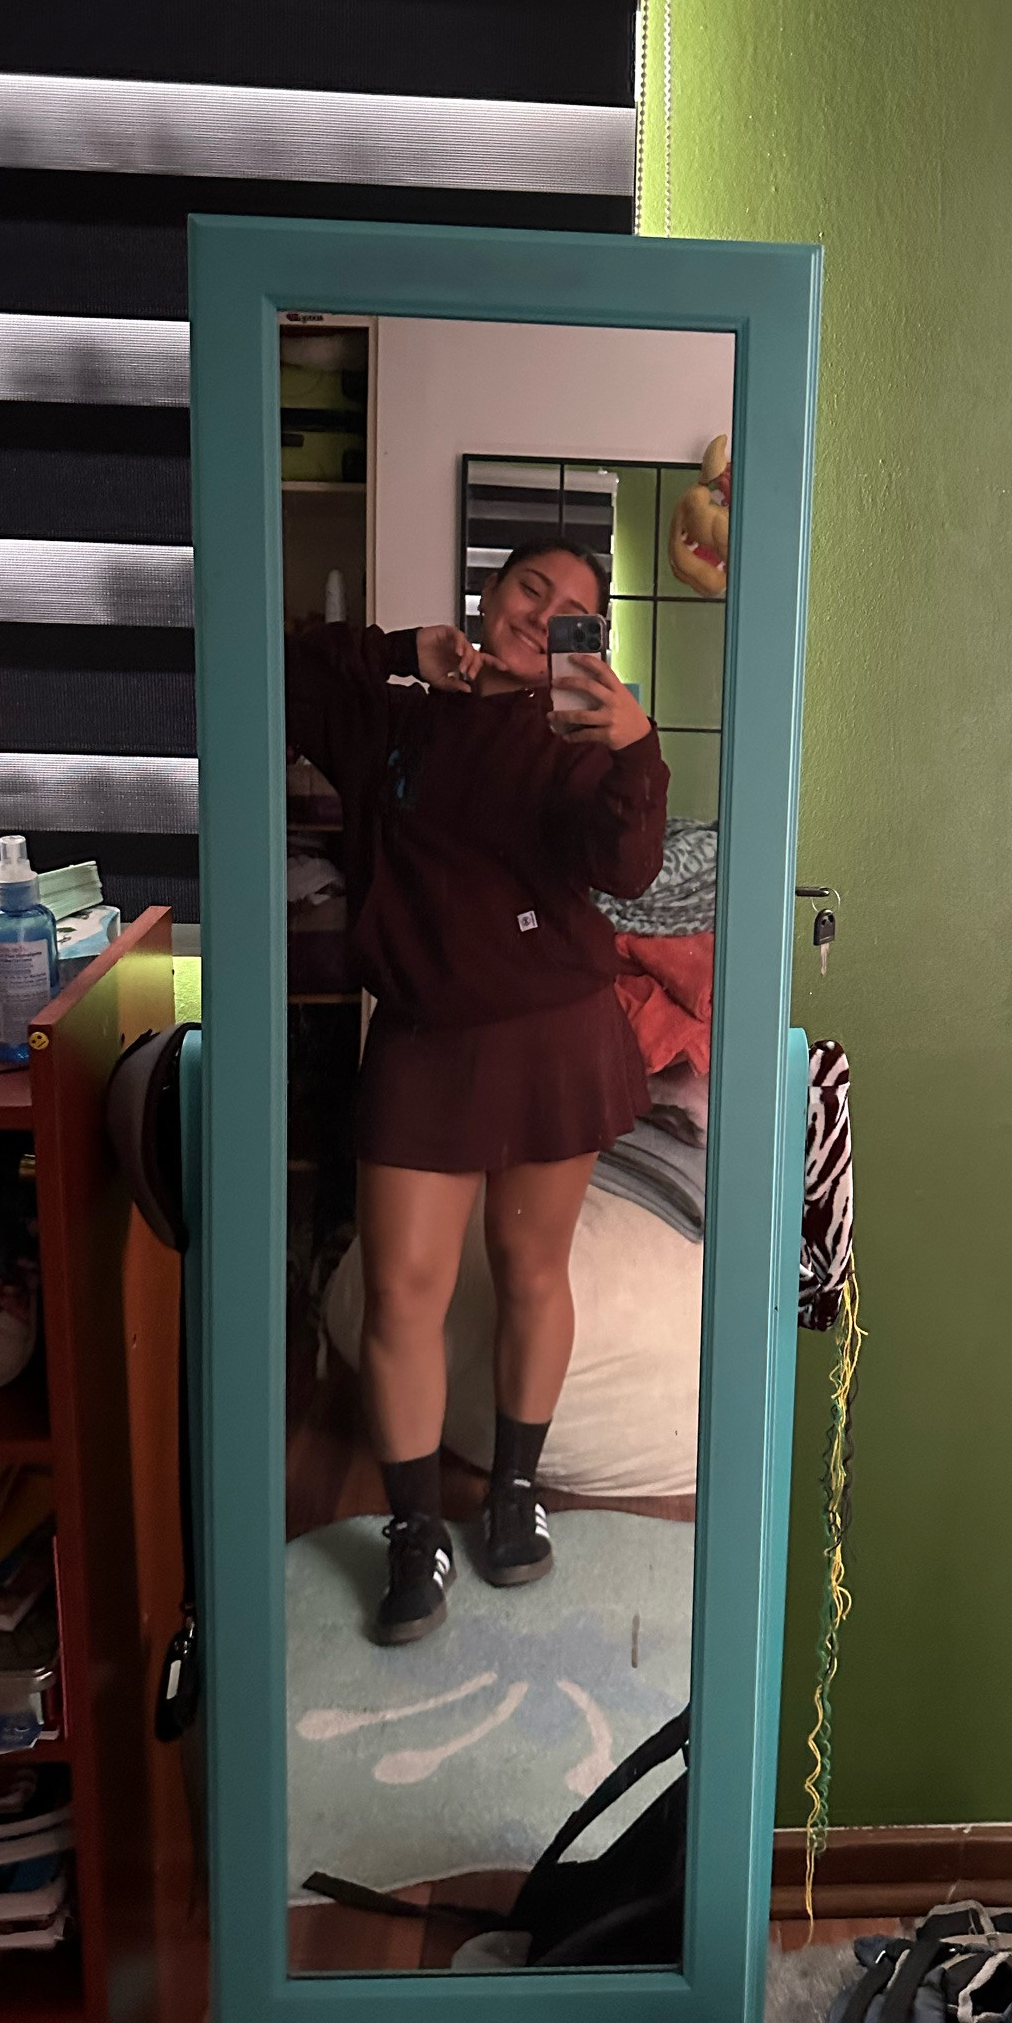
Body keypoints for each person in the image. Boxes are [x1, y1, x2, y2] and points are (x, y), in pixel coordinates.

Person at [286, 537, 667, 1644]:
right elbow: (283, 669)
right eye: (528, 589)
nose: (541, 614)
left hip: (554, 1033)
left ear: (588, 642)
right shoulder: (395, 721)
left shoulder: (581, 743)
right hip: (423, 1037)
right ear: (489, 597)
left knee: (530, 1271)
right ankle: (414, 1530)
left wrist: (637, 748)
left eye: (572, 609)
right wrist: (403, 650)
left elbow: (630, 867)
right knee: (400, 1292)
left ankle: (513, 1492)